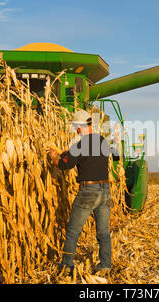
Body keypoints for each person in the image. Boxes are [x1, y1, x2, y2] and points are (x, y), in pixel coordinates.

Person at [48, 109, 116, 276]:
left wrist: (53, 156)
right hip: (105, 190)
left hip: (88, 191)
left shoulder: (79, 145)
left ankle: (67, 267)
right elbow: (90, 157)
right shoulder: (102, 141)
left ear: (79, 127)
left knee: (73, 231)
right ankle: (106, 265)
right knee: (103, 231)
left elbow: (65, 165)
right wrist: (67, 153)